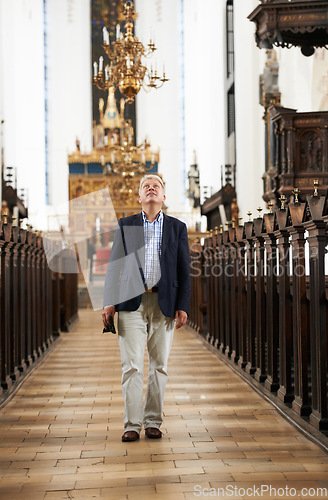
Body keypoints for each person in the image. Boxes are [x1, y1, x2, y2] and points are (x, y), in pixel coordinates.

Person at [102, 174, 191, 442]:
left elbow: (184, 271)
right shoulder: (126, 224)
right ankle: (132, 424)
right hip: (131, 303)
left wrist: (183, 305)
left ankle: (153, 421)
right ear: (139, 197)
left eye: (157, 186)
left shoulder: (177, 227)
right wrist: (109, 301)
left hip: (164, 303)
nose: (151, 189)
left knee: (159, 365)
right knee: (131, 366)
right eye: (146, 186)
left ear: (164, 197)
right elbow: (114, 267)